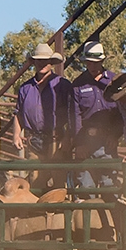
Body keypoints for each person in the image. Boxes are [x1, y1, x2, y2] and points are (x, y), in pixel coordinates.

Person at [12, 43, 74, 185]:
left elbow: (73, 114)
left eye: (45, 61)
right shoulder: (25, 88)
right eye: (39, 60)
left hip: (56, 139)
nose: (42, 64)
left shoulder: (63, 85)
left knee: (59, 180)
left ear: (51, 63)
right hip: (34, 140)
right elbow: (18, 114)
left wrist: (68, 137)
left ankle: (58, 200)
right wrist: (16, 135)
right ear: (34, 62)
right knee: (35, 180)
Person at [71, 41, 124, 193]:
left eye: (95, 62)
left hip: (108, 143)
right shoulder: (78, 84)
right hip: (85, 142)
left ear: (102, 61)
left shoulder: (114, 81)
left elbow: (121, 113)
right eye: (89, 62)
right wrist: (79, 144)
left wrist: (115, 135)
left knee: (110, 186)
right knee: (86, 188)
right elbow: (75, 116)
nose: (92, 66)